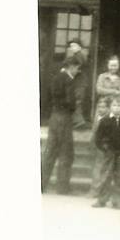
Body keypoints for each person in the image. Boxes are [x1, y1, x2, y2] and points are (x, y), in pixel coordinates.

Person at [41, 53, 84, 193]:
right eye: (77, 68)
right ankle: (62, 187)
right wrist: (73, 106)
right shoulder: (68, 80)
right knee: (66, 153)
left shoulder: (57, 78)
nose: (78, 71)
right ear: (71, 67)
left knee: (50, 152)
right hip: (64, 118)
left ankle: (41, 185)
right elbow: (69, 102)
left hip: (54, 118)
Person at [91, 96, 120, 209]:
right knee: (105, 176)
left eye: (119, 105)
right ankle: (101, 200)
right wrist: (104, 148)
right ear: (110, 107)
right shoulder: (105, 120)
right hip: (109, 152)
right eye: (114, 105)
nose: (116, 108)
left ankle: (118, 202)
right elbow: (98, 138)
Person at [93, 55, 120, 132]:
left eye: (115, 65)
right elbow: (99, 90)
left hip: (116, 106)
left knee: (115, 128)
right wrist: (114, 91)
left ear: (118, 66)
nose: (113, 67)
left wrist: (106, 91)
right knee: (99, 128)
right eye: (111, 65)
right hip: (103, 105)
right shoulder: (102, 76)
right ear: (107, 65)